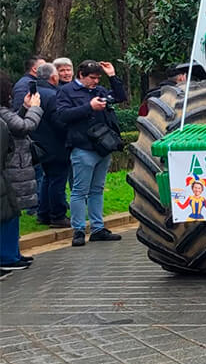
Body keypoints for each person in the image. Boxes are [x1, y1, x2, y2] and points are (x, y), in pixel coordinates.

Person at [56, 60, 127, 246]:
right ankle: (78, 230)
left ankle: (98, 228)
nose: (95, 81)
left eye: (98, 78)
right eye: (92, 78)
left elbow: (120, 97)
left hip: (103, 146)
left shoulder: (99, 90)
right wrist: (89, 107)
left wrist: (112, 76)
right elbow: (62, 115)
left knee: (97, 189)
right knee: (79, 191)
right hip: (82, 147)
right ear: (81, 75)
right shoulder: (67, 91)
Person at [0, 72, 43, 271]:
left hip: (14, 168)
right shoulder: (2, 112)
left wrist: (25, 108)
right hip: (11, 169)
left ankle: (13, 252)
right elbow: (24, 127)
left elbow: (14, 124)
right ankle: (8, 256)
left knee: (13, 212)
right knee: (8, 213)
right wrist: (34, 109)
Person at [32, 63, 70, 228]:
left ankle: (43, 213)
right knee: (57, 180)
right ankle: (58, 215)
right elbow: (59, 122)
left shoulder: (33, 92)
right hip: (56, 144)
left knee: (47, 178)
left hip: (39, 144)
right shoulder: (54, 95)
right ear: (53, 77)